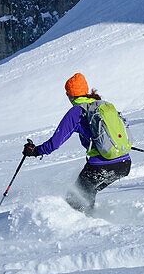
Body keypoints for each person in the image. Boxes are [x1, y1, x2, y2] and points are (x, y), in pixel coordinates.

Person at [22, 72, 131, 213]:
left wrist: (35, 151)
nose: (67, 97)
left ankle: (84, 228)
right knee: (85, 194)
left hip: (102, 165)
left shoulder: (77, 112)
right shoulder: (102, 105)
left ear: (72, 95)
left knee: (74, 200)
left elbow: (54, 143)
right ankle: (91, 221)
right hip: (124, 164)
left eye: (67, 94)